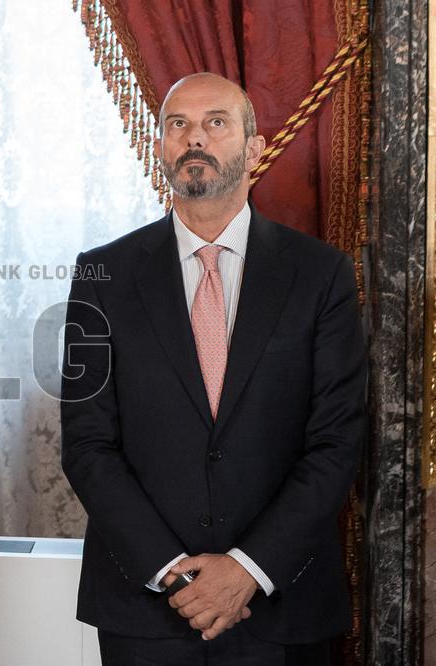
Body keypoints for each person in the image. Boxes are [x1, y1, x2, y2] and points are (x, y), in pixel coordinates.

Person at [60, 73, 367, 664]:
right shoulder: (100, 275)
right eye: (178, 124)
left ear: (254, 147)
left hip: (281, 607)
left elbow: (336, 441)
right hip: (145, 609)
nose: (193, 138)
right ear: (160, 145)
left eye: (215, 123)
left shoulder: (321, 275)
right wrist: (171, 573)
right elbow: (87, 443)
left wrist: (247, 569)